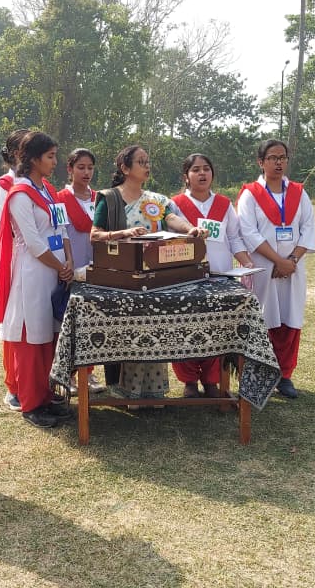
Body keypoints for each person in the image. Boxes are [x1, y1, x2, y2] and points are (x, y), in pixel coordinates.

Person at [91, 144, 199, 403]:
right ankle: (121, 390)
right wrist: (123, 233)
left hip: (153, 279)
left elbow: (171, 219)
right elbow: (94, 236)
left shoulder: (156, 199)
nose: (147, 166)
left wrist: (189, 229)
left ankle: (151, 393)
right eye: (141, 162)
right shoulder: (109, 198)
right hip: (122, 280)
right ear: (125, 168)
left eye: (148, 161)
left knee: (150, 331)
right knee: (122, 334)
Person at [0, 131, 73, 429]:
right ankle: (31, 403)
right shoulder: (20, 194)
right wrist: (61, 266)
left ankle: (46, 395)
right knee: (31, 339)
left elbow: (62, 229)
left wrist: (68, 262)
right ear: (35, 159)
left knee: (48, 336)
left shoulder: (48, 191)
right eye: (50, 156)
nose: (55, 162)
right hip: (33, 273)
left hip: (54, 271)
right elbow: (33, 242)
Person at [237, 139, 315, 399]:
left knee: (291, 318)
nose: (279, 162)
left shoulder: (298, 193)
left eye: (283, 157)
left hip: (294, 268)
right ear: (261, 162)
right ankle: (262, 374)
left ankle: (285, 374)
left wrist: (291, 260)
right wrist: (277, 261)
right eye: (273, 157)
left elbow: (308, 228)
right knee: (265, 318)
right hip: (263, 267)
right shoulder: (250, 194)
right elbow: (248, 232)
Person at [171, 153, 254, 398]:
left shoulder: (224, 204)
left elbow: (234, 237)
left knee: (217, 329)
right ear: (186, 176)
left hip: (220, 277)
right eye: (196, 169)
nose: (202, 173)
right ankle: (189, 381)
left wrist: (246, 262)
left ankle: (212, 381)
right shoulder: (174, 204)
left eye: (206, 169)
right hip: (185, 278)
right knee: (185, 328)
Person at [0, 127, 28, 412]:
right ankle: (14, 384)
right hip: (15, 262)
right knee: (14, 323)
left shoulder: (40, 184)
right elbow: (7, 228)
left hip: (40, 263)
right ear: (15, 154)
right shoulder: (4, 184)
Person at [57, 147, 104, 394]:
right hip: (72, 268)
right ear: (70, 169)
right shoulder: (59, 199)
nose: (86, 172)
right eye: (81, 167)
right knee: (70, 325)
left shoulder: (100, 199)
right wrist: (65, 263)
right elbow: (59, 233)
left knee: (93, 322)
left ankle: (89, 372)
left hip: (97, 268)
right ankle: (70, 375)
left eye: (90, 168)